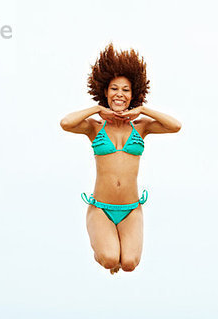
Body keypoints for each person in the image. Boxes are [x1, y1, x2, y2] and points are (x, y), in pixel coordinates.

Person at [60, 43, 181, 274]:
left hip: (131, 209)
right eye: (114, 89)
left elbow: (175, 126)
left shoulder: (141, 126)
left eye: (126, 90)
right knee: (109, 259)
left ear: (133, 94)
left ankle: (117, 252)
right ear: (105, 92)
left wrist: (143, 110)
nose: (119, 94)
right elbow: (66, 123)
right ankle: (103, 248)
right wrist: (96, 109)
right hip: (101, 208)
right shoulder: (95, 127)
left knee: (129, 264)